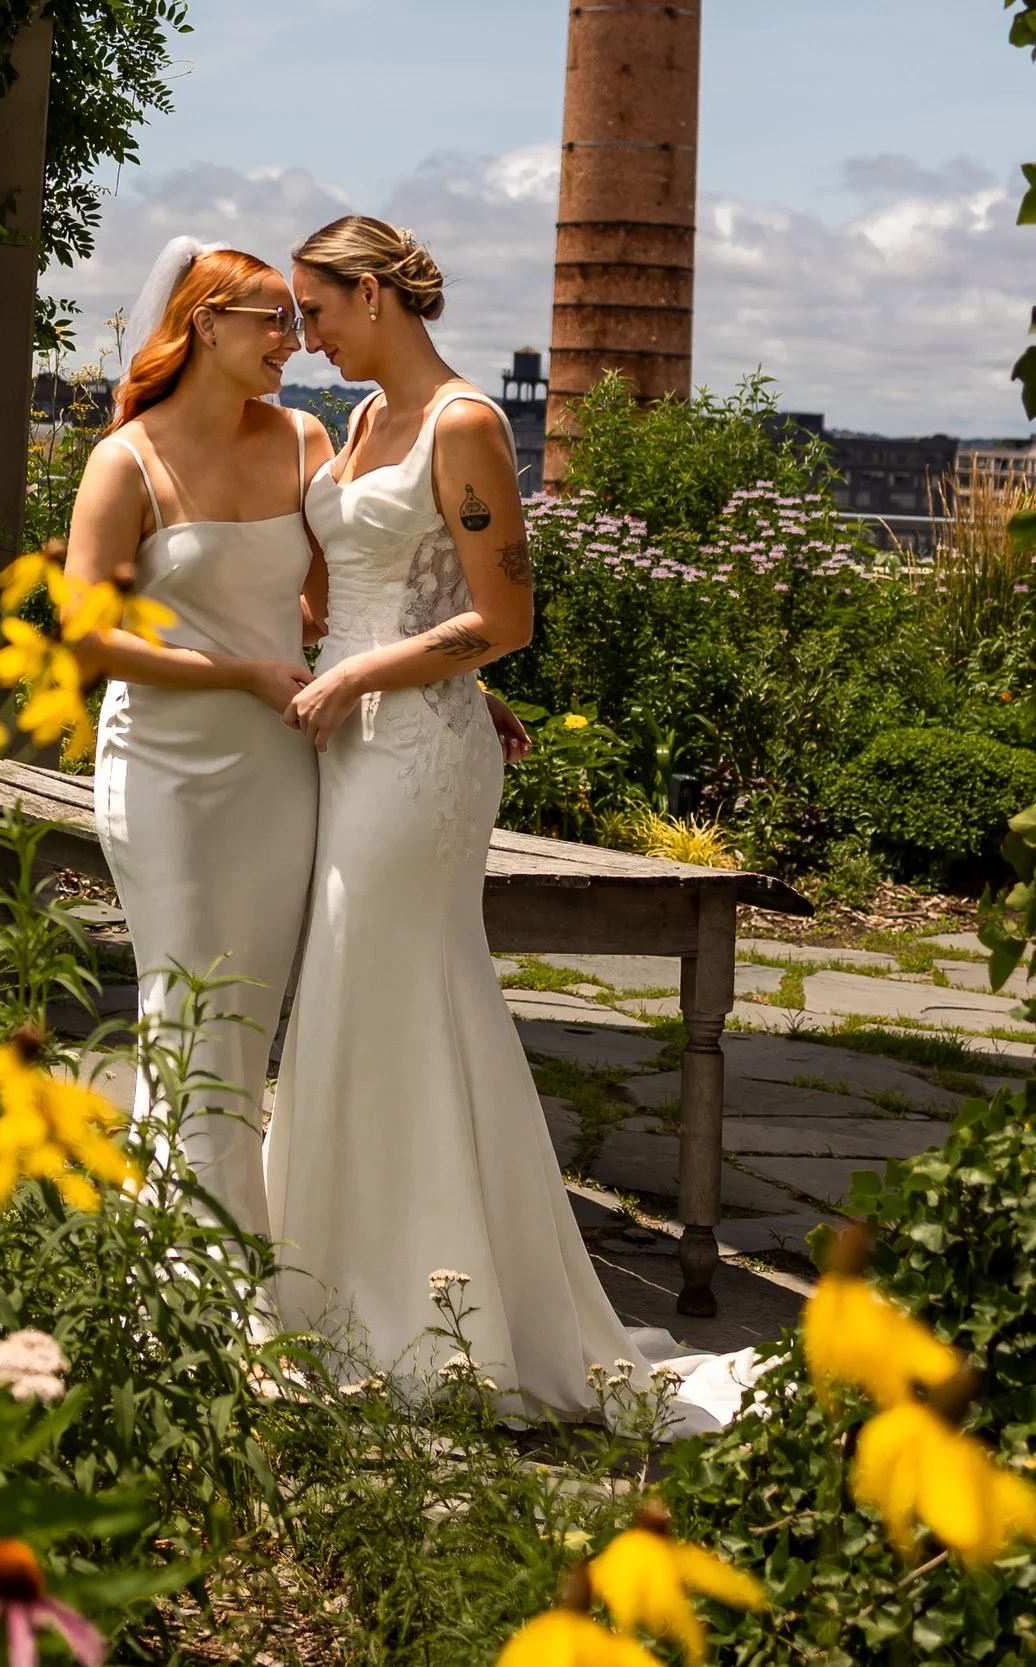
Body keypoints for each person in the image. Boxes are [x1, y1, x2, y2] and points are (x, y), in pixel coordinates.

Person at [268, 214, 747, 1430]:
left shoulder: (464, 423)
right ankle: (344, 1287)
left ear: (372, 293)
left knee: (406, 985)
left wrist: (367, 680)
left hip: (410, 753)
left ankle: (446, 1312)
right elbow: (410, 595)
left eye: (316, 308)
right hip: (373, 727)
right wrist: (421, 675)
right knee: (348, 990)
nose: (304, 332)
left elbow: (508, 614)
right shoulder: (367, 416)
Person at [62, 240, 328, 1241]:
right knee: (184, 1009)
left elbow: (343, 600)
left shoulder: (307, 441)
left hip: (277, 771)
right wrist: (243, 671)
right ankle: (198, 1280)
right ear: (206, 322)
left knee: (245, 1015)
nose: (291, 342)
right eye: (273, 321)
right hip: (164, 767)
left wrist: (460, 690)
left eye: (296, 324)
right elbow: (86, 636)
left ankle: (186, 1252)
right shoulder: (123, 460)